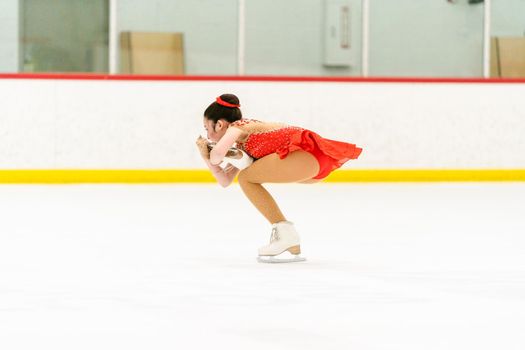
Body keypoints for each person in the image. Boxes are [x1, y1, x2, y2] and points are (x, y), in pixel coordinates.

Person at [196, 94, 362, 263]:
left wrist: (208, 152)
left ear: (219, 124)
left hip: (303, 154)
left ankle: (286, 235)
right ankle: (290, 242)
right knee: (247, 174)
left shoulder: (238, 126)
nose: (208, 136)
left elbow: (216, 156)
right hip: (314, 163)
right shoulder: (242, 143)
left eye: (206, 128)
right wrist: (207, 158)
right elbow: (225, 181)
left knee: (246, 177)